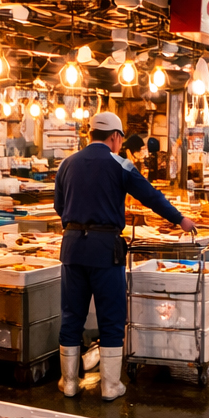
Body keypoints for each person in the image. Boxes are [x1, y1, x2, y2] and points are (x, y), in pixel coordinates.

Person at [53, 110, 197, 400]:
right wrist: (180, 219)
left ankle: (69, 383)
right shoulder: (120, 164)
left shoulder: (67, 164)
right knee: (111, 317)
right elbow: (151, 196)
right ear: (116, 137)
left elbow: (59, 205)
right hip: (105, 251)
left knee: (72, 315)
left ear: (90, 134)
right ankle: (110, 386)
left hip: (71, 248)